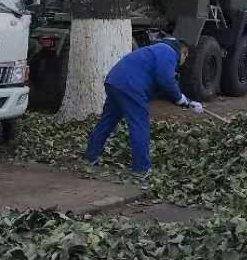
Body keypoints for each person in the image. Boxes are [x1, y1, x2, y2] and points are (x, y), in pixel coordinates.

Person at [84, 38, 201, 175]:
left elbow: (163, 85)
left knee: (107, 121)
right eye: (185, 59)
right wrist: (180, 98)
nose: (182, 62)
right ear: (184, 52)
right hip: (131, 87)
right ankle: (141, 168)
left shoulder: (156, 50)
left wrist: (188, 102)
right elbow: (166, 81)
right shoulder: (169, 53)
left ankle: (90, 156)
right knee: (139, 125)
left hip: (114, 81)